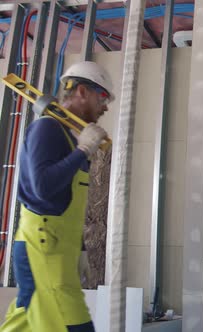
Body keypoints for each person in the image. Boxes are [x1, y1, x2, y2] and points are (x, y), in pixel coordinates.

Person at [0, 61, 114, 332]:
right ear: (83, 92)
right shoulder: (47, 129)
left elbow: (66, 201)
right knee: (71, 325)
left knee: (24, 323)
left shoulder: (66, 135)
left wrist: (80, 251)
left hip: (55, 250)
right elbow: (44, 186)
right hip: (42, 247)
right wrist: (84, 150)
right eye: (103, 97)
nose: (106, 107)